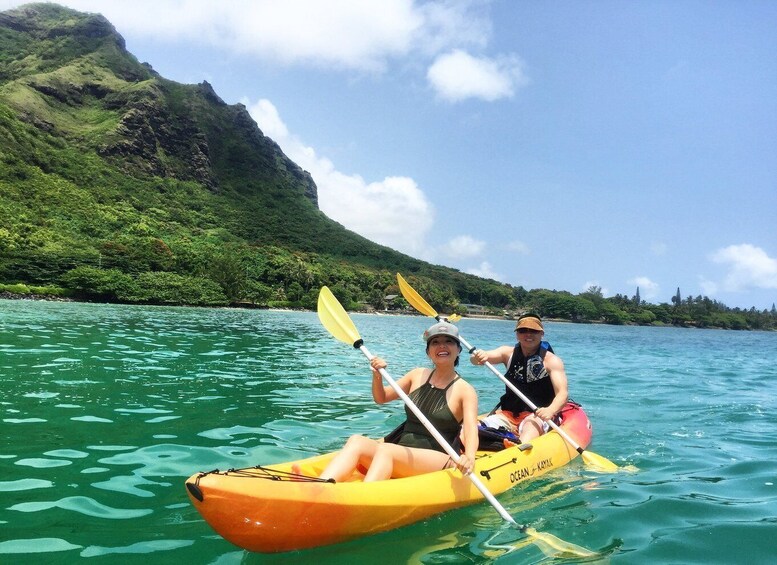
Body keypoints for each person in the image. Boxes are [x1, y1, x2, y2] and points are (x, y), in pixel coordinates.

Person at [318, 321, 480, 483]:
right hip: (401, 453)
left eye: (448, 341)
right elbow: (382, 398)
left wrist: (470, 457)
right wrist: (377, 376)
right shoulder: (417, 375)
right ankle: (322, 486)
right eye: (435, 342)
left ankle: (365, 495)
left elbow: (471, 430)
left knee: (387, 450)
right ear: (428, 352)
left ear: (458, 350)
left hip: (438, 458)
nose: (442, 346)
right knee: (356, 441)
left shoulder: (465, 390)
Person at [470, 313, 568, 443]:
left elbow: (563, 394)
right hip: (509, 414)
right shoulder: (507, 353)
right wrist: (478, 356)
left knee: (529, 427)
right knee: (474, 429)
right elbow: (478, 359)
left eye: (533, 331)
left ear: (541, 334)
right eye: (523, 331)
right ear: (517, 334)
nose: (528, 334)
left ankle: (519, 448)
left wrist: (550, 410)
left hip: (537, 415)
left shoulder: (551, 360)